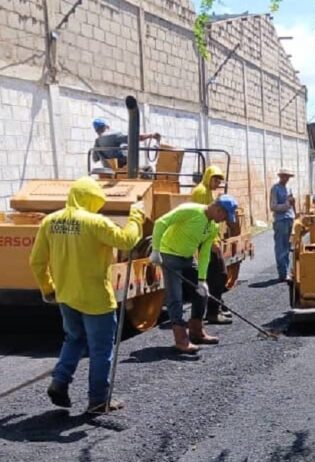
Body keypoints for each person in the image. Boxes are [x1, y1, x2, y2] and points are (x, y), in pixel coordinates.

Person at [29, 177, 144, 414]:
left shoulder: (50, 221)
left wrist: (48, 288)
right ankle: (98, 401)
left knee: (74, 339)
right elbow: (127, 240)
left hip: (66, 296)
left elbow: (36, 262)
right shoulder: (96, 222)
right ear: (92, 198)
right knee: (101, 349)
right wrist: (136, 217)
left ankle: (60, 381)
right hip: (96, 299)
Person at [150, 195, 239, 352]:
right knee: (175, 297)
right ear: (218, 209)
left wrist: (202, 279)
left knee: (202, 293)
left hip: (188, 257)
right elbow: (160, 222)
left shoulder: (213, 227)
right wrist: (156, 250)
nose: (224, 220)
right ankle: (181, 339)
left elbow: (204, 253)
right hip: (169, 255)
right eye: (225, 216)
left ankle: (196, 332)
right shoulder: (190, 210)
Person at [191, 166, 232, 325]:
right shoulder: (201, 192)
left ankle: (217, 306)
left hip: (207, 238)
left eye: (219, 181)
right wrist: (212, 241)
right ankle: (213, 312)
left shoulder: (206, 191)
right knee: (220, 274)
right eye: (215, 180)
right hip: (206, 240)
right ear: (208, 177)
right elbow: (205, 218)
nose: (217, 183)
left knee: (213, 274)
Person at [91, 118, 161, 169]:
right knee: (148, 169)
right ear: (106, 126)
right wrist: (151, 135)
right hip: (123, 169)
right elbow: (134, 138)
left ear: (96, 131)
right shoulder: (114, 135)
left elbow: (95, 159)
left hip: (109, 171)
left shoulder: (97, 143)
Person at [270, 168, 296, 282]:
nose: (286, 178)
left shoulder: (289, 188)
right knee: (281, 246)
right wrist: (286, 204)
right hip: (280, 220)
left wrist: (295, 213)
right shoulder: (275, 189)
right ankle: (282, 273)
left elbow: (292, 203)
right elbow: (273, 206)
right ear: (280, 176)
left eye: (288, 177)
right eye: (284, 176)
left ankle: (287, 270)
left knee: (288, 247)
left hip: (290, 218)